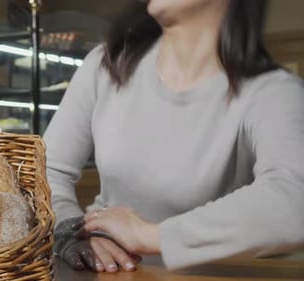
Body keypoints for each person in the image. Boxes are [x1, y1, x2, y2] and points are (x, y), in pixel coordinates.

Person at [43, 0, 304, 273]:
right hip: (104, 276)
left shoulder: (272, 92)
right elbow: (46, 170)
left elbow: (294, 198)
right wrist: (69, 231)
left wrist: (148, 236)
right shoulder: (105, 64)